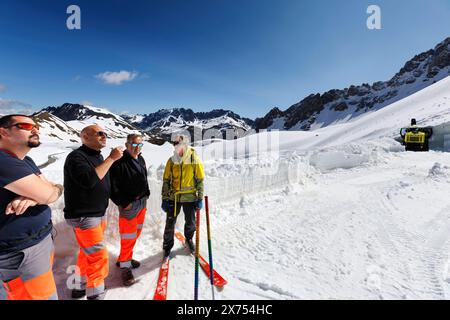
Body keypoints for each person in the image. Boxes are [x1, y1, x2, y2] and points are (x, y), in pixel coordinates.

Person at [0, 114, 63, 300]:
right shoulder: (3, 162)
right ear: (3, 132)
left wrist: (36, 198)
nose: (35, 129)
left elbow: (54, 189)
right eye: (26, 126)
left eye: (36, 126)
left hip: (36, 245)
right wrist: (43, 194)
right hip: (20, 255)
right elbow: (50, 193)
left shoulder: (25, 160)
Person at [64, 125, 123, 300]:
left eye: (105, 133)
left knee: (86, 252)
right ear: (85, 137)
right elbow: (89, 180)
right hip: (84, 216)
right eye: (100, 134)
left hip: (96, 213)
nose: (105, 136)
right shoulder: (76, 157)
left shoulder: (97, 157)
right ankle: (95, 293)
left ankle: (80, 285)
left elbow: (103, 182)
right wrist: (111, 159)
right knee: (98, 255)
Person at [110, 134, 150, 287]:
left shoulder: (141, 159)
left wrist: (146, 193)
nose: (137, 148)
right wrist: (124, 203)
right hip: (129, 205)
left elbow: (143, 178)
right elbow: (113, 187)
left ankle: (124, 259)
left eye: (140, 145)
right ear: (127, 145)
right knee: (128, 237)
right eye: (134, 145)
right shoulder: (119, 162)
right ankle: (125, 268)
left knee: (136, 233)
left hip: (141, 202)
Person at [161, 134, 205, 258]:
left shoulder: (193, 159)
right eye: (174, 143)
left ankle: (189, 239)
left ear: (185, 144)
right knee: (170, 223)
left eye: (179, 143)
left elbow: (200, 180)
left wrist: (200, 198)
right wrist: (165, 198)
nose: (176, 146)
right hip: (174, 197)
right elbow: (166, 180)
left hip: (189, 197)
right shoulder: (171, 160)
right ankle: (167, 246)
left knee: (190, 222)